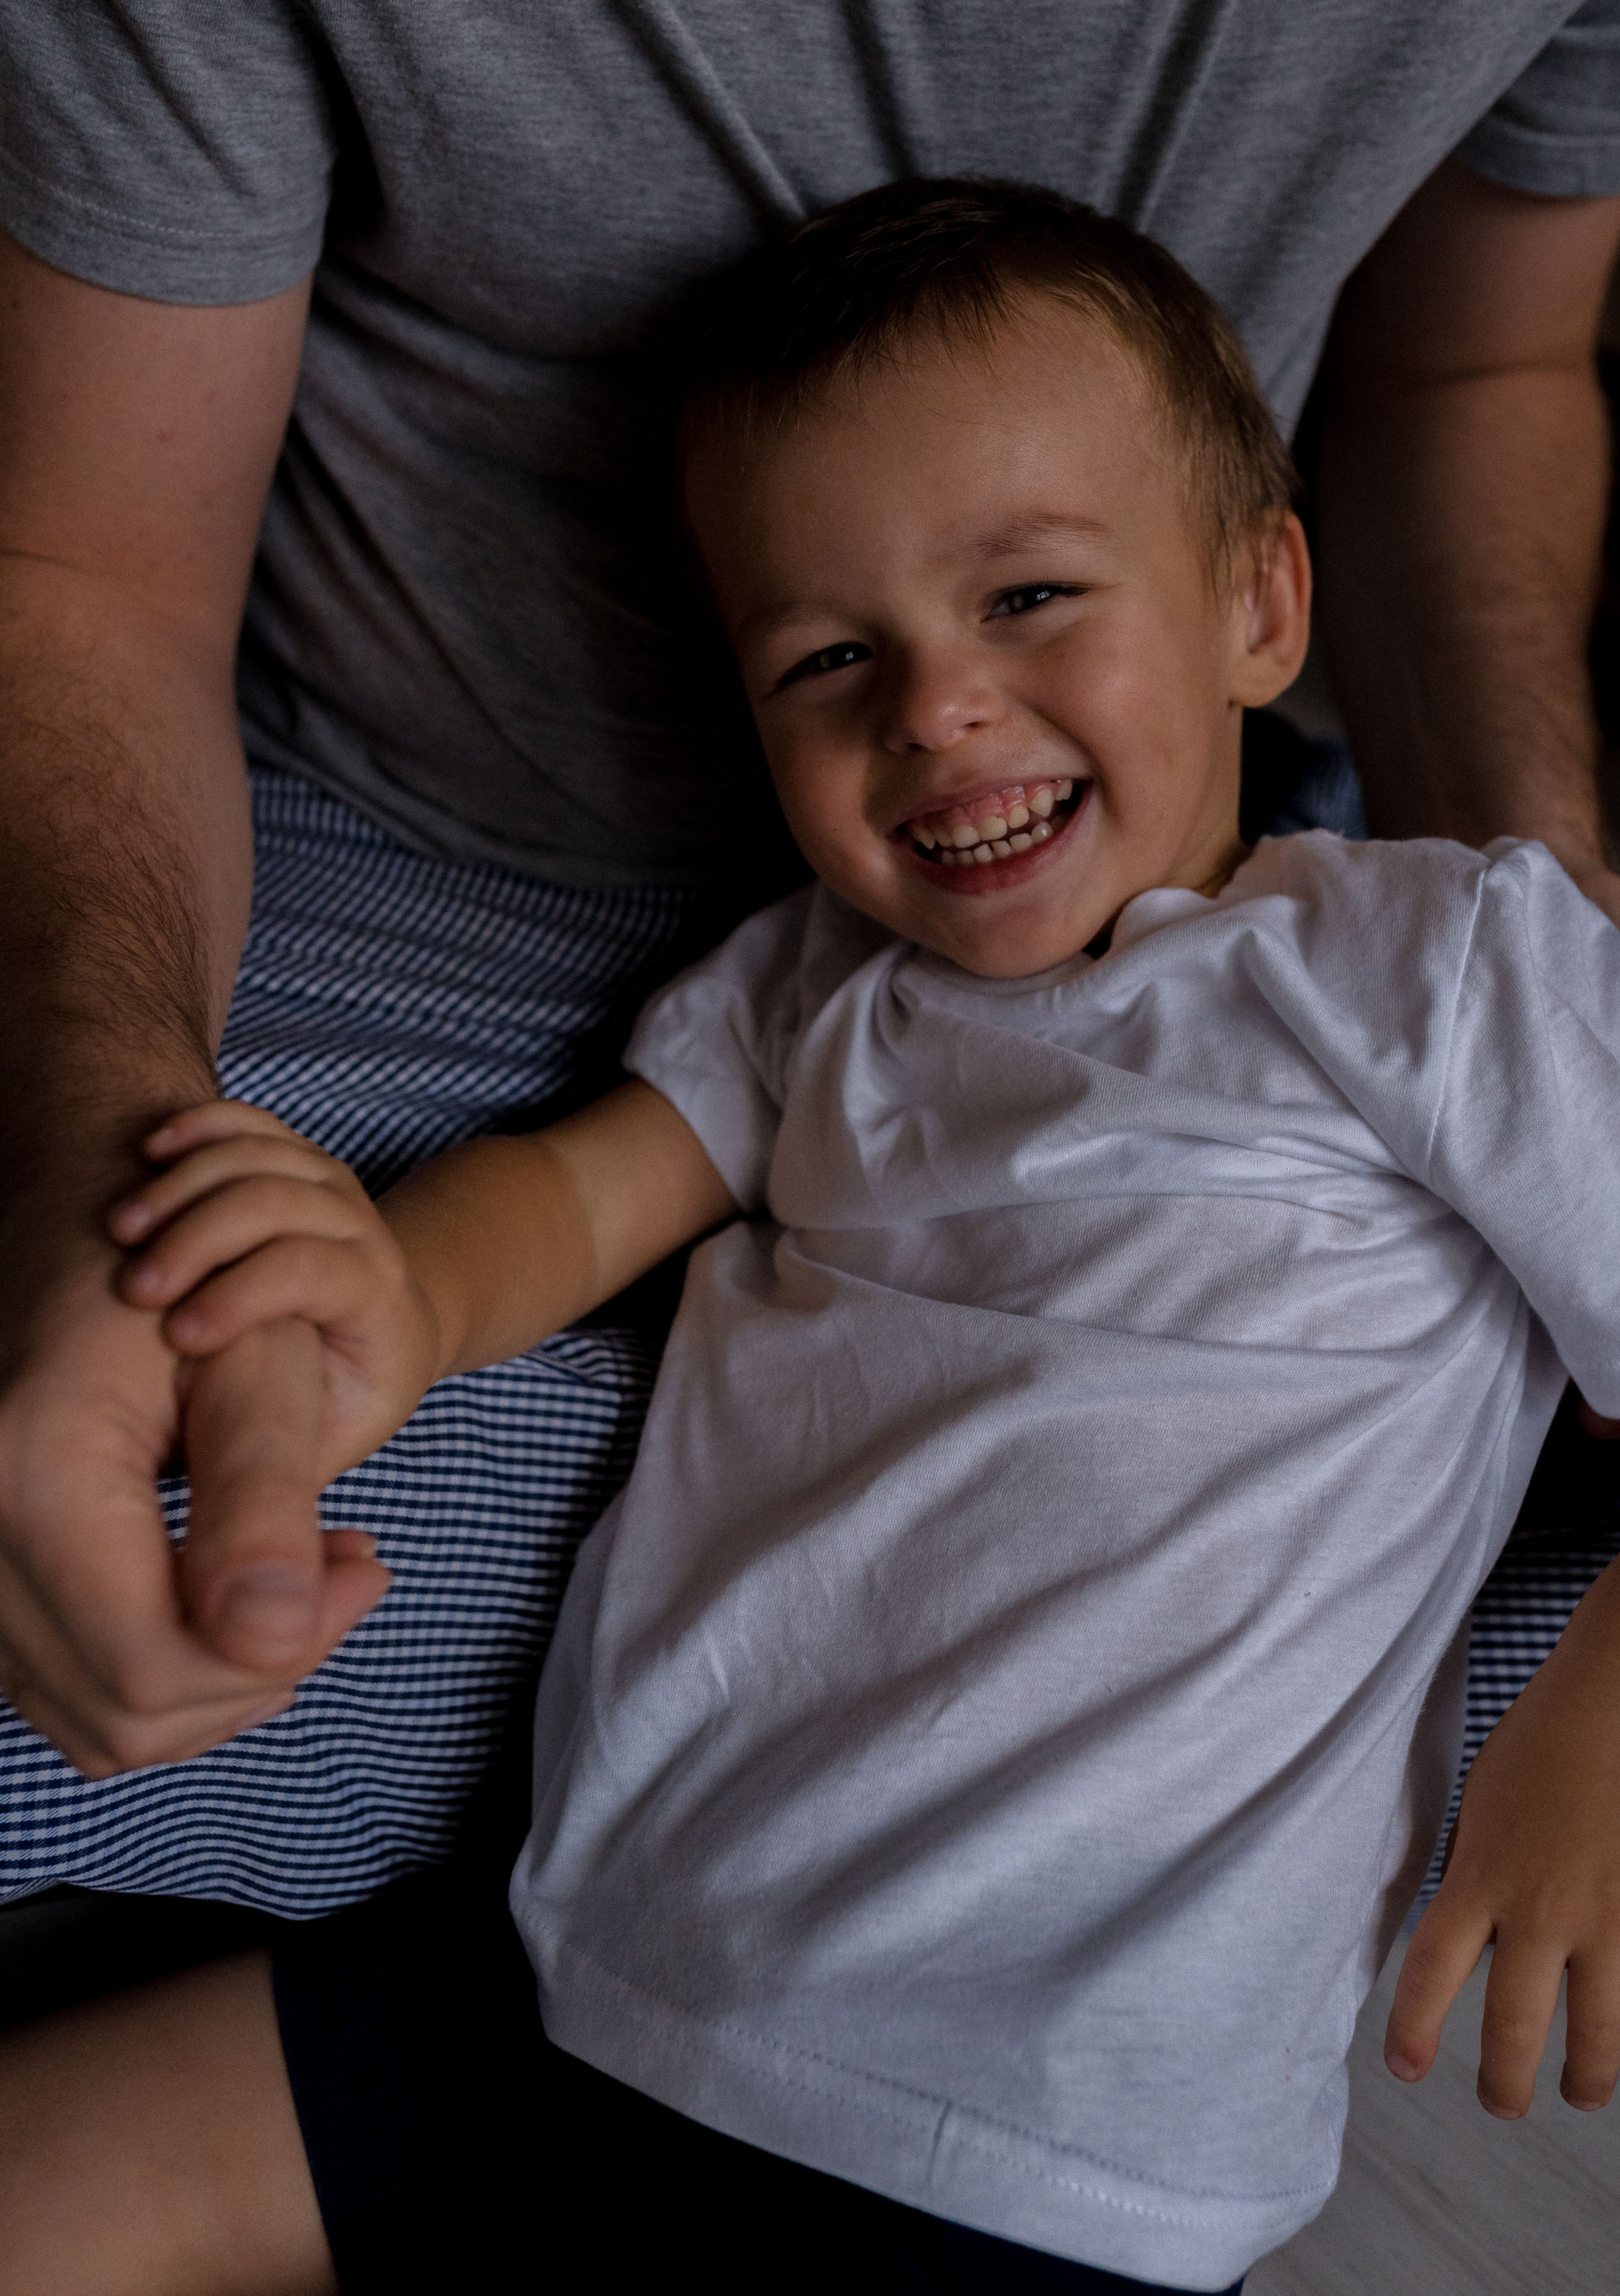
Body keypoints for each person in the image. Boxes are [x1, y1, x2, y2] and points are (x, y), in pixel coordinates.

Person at [15, 181, 1620, 2294]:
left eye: (1032, 597)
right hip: (562, 1962)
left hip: (1016, 2138)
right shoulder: (815, 988)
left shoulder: (1430, 968)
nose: (935, 710)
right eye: (832, 658)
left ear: (1260, 603)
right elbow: (593, 1186)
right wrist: (385, 1295)